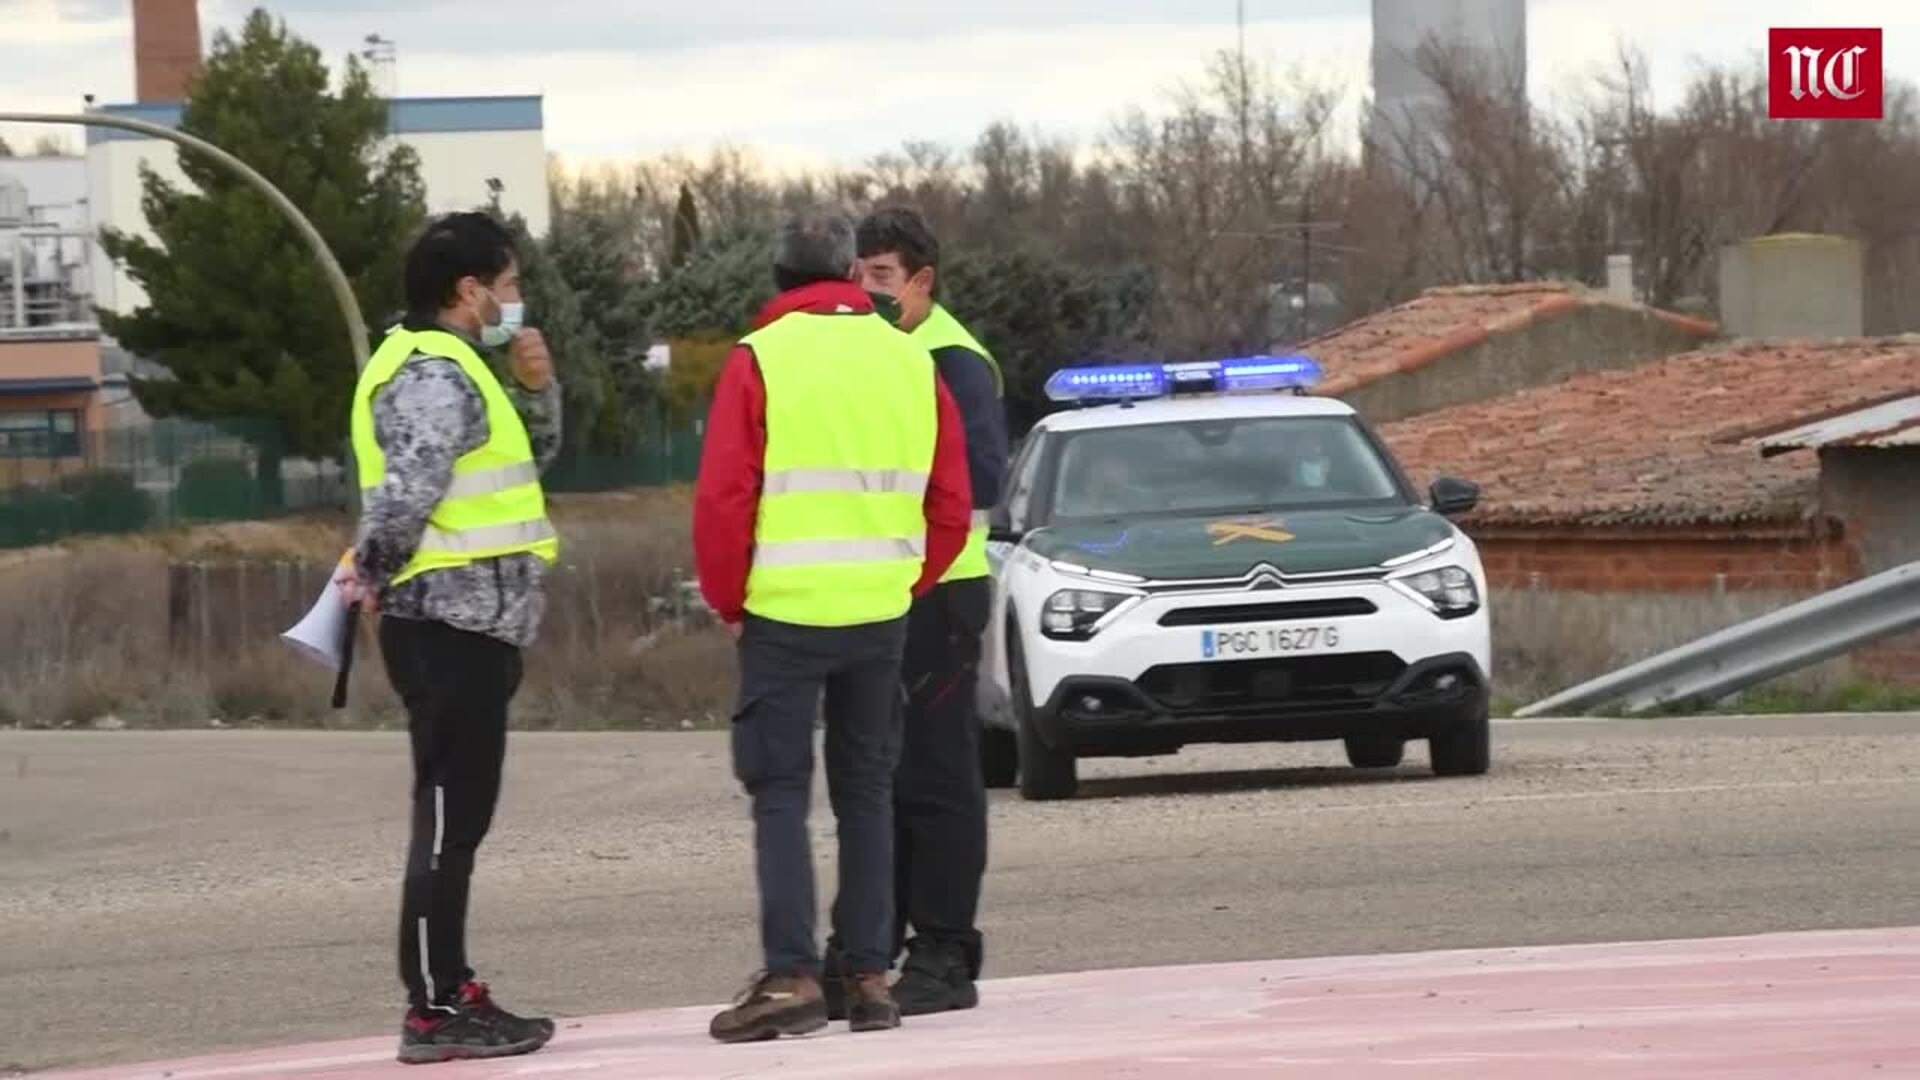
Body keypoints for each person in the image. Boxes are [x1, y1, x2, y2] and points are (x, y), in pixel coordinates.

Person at [693, 207, 974, 1043]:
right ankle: (866, 975)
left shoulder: (760, 358)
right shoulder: (909, 359)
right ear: (851, 274)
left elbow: (723, 499)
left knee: (781, 792)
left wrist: (730, 601)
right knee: (866, 792)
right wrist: (904, 580)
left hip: (782, 612)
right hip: (880, 614)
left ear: (777, 279)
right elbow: (951, 500)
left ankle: (791, 976)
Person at [337, 211, 562, 1066]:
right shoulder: (433, 372)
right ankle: (432, 1008)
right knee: (445, 823)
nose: (514, 301)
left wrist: (539, 390)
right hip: (447, 622)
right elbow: (409, 488)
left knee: (456, 819)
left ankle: (448, 987)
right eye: (505, 286)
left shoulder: (459, 364)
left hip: (473, 623)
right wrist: (371, 572)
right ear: (468, 292)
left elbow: (521, 469)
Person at [828, 206, 1008, 1017]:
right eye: (856, 274)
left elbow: (981, 484)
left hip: (941, 590)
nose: (864, 291)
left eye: (881, 277)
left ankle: (943, 952)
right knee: (885, 782)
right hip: (887, 593)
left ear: (922, 281)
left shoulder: (950, 360)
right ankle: (878, 946)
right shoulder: (881, 354)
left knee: (937, 779)